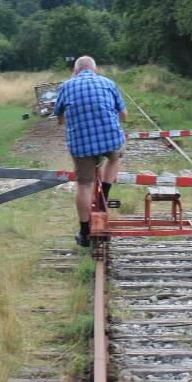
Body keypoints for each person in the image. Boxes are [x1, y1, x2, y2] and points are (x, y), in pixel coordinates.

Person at [54, 56, 127, 247]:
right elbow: (124, 116)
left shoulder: (66, 86)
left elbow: (59, 118)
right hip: (110, 139)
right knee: (116, 154)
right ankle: (105, 194)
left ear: (75, 71)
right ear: (95, 70)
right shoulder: (108, 82)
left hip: (81, 145)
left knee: (84, 185)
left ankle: (85, 233)